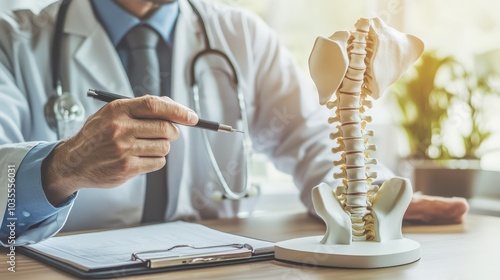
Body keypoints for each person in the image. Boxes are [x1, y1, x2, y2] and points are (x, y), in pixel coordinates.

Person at [0, 0, 467, 246]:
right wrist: (61, 167)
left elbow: (311, 140)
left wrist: (369, 196)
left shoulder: (242, 36)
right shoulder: (13, 39)